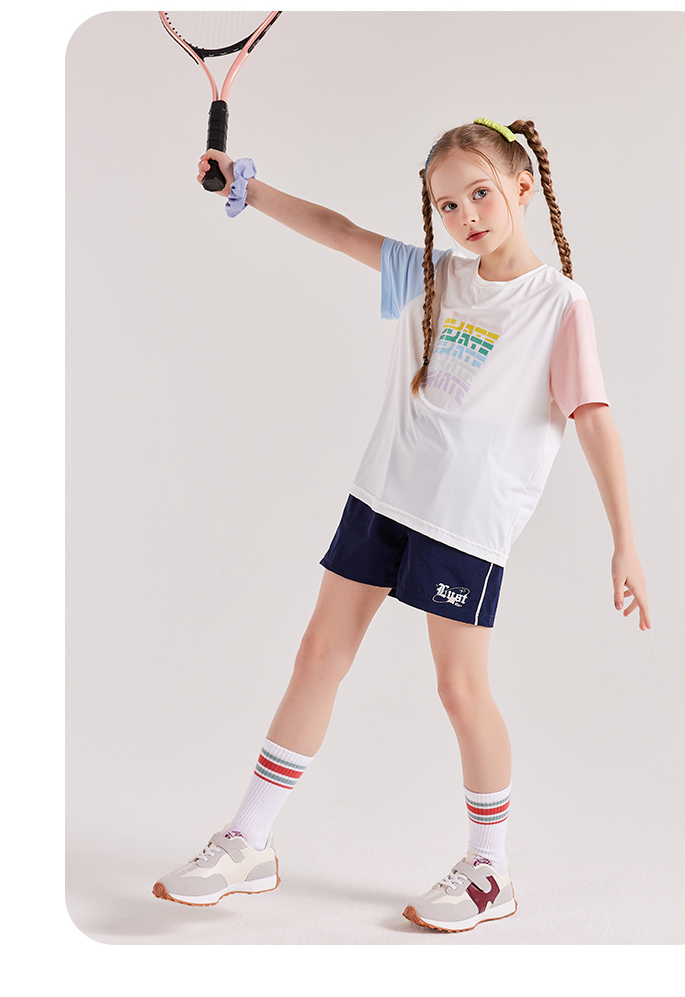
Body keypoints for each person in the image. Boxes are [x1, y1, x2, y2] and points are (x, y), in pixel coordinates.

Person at [152, 117, 651, 933]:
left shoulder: (559, 303)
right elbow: (339, 230)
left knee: (460, 690)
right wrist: (248, 186)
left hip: (465, 526)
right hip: (382, 498)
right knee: (317, 656)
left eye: (480, 194)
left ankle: (490, 868)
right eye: (446, 205)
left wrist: (624, 540)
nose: (465, 216)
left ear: (522, 187)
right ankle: (248, 841)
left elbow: (593, 417)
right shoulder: (432, 276)